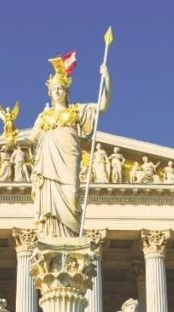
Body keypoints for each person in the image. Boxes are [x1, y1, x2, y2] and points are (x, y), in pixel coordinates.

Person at [25, 58, 111, 237]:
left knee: (72, 195)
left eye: (60, 88)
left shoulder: (76, 111)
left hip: (68, 159)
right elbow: (31, 138)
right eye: (54, 89)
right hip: (48, 164)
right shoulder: (43, 116)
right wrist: (12, 139)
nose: (57, 91)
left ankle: (70, 239)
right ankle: (52, 239)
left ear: (66, 91)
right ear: (50, 92)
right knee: (49, 204)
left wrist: (107, 79)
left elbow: (102, 106)